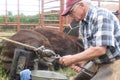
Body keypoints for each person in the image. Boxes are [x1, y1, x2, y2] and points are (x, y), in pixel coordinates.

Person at [59, 0, 120, 80]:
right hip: (98, 61)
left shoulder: (101, 16)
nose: (70, 16)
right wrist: (84, 60)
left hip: (114, 61)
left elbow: (100, 50)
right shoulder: (83, 22)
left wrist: (72, 59)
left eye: (71, 12)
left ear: (81, 5)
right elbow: (92, 47)